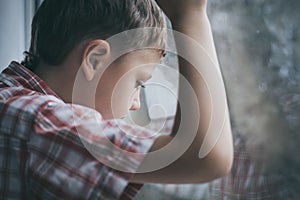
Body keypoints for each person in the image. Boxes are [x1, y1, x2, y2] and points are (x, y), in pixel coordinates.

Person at [0, 0, 233, 199]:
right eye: (137, 83)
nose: (136, 103)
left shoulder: (12, 101)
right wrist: (190, 14)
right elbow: (206, 156)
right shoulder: (41, 122)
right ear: (94, 60)